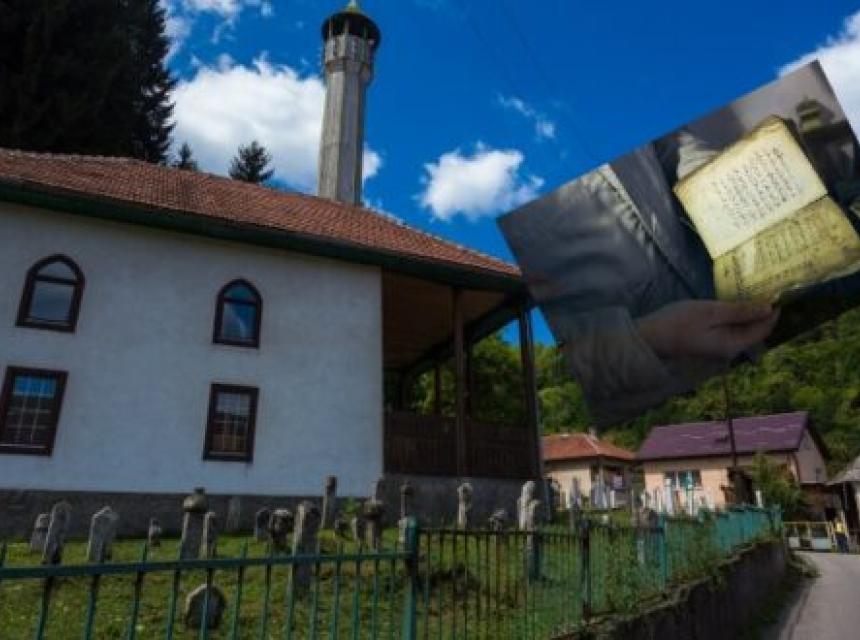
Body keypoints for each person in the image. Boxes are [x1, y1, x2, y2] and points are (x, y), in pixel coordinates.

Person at [499, 130, 779, 425]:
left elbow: (671, 144)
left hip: (746, 316)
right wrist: (649, 338)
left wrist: (716, 180)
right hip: (650, 398)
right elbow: (541, 359)